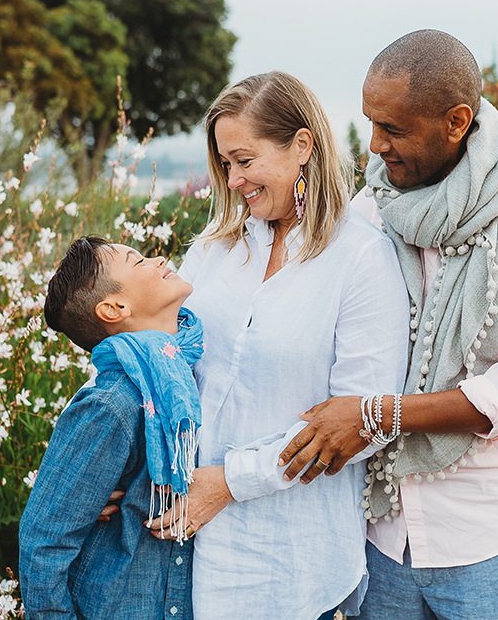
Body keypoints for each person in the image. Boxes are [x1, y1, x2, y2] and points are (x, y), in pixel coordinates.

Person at [277, 30, 498, 618]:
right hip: (380, 535)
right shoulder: (371, 208)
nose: (374, 146)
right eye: (370, 123)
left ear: (456, 121)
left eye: (393, 129)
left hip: (492, 538)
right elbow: (316, 344)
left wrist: (377, 415)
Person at [144, 71, 411, 619]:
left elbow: (359, 423)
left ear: (302, 146)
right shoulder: (216, 249)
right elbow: (161, 363)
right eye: (224, 164)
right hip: (186, 544)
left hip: (291, 555)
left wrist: (229, 483)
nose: (233, 178)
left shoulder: (361, 258)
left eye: (245, 160)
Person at [18, 236, 202, 619]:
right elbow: (44, 541)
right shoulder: (109, 406)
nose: (159, 258)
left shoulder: (183, 374)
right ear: (115, 308)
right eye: (139, 261)